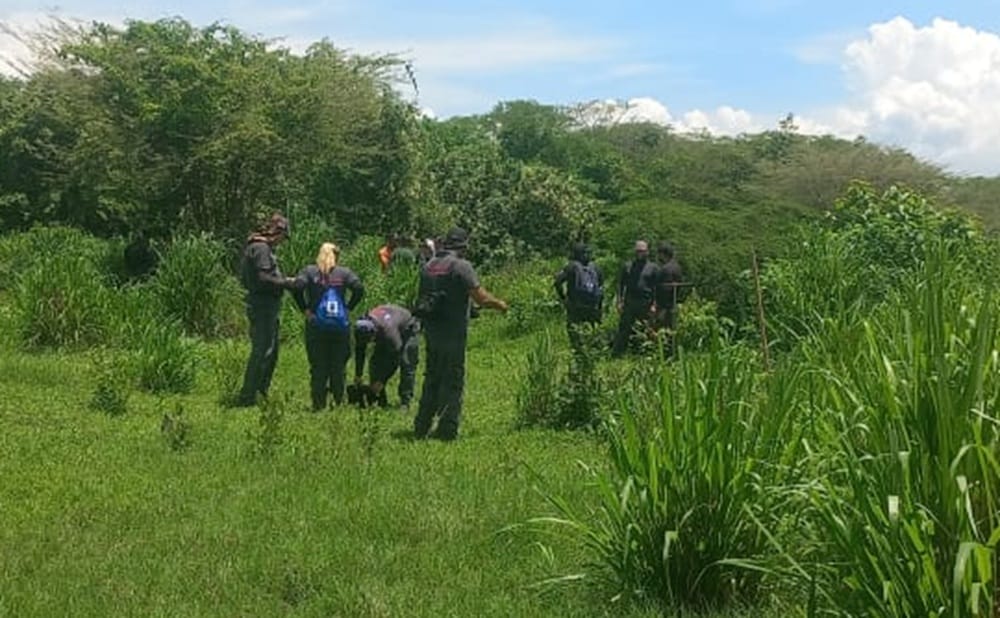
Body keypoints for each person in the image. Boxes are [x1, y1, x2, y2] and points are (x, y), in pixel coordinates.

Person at [412, 227, 508, 441]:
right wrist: (500, 304)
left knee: (432, 378)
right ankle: (447, 429)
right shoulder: (461, 266)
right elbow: (481, 297)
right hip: (452, 334)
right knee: (452, 381)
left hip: (432, 333)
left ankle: (421, 426)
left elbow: (427, 300)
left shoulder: (428, 266)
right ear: (463, 246)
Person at [292, 242, 365, 410]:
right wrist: (348, 308)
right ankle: (338, 403)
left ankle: (318, 404)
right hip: (340, 328)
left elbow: (298, 287)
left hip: (316, 326)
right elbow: (359, 288)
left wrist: (305, 309)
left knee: (318, 366)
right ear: (336, 256)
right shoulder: (344, 273)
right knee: (338, 366)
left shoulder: (310, 272)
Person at [237, 213, 299, 406]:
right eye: (283, 237)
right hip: (263, 306)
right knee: (263, 350)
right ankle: (248, 396)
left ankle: (260, 392)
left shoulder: (256, 246)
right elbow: (264, 278)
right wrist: (287, 283)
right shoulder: (262, 249)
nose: (282, 242)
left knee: (271, 352)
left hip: (263, 305)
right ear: (277, 232)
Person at [353, 304, 420, 409]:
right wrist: (358, 375)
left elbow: (394, 359)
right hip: (387, 326)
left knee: (406, 363)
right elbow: (360, 350)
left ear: (373, 334)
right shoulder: (362, 327)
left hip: (408, 327)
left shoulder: (389, 333)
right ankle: (379, 399)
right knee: (375, 362)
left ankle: (405, 402)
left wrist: (381, 381)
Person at [553, 242, 604, 353]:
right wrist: (599, 307)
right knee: (593, 330)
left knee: (573, 330)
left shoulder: (571, 267)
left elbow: (557, 282)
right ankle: (594, 352)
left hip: (575, 305)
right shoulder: (595, 268)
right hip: (592, 306)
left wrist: (563, 298)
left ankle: (578, 352)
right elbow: (600, 288)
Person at [612, 240, 659, 357]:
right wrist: (619, 301)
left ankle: (643, 354)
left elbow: (657, 288)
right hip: (630, 302)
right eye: (638, 251)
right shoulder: (627, 266)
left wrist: (654, 304)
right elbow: (620, 285)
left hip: (646, 303)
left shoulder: (653, 268)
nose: (640, 254)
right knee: (624, 329)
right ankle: (618, 354)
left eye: (642, 251)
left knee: (645, 329)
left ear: (647, 252)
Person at [652, 242, 684, 357]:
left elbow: (665, 290)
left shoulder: (666, 269)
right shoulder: (677, 267)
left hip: (666, 306)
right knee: (672, 329)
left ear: (663, 254)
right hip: (675, 304)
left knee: (663, 330)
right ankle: (672, 353)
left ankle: (665, 354)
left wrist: (661, 307)